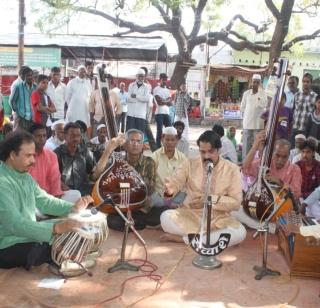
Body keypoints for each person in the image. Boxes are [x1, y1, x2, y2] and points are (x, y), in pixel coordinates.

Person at [0, 130, 93, 269]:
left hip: (27, 234)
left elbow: (45, 200)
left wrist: (72, 208)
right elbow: (15, 224)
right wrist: (55, 228)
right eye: (29, 156)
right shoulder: (2, 182)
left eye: (34, 155)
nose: (33, 160)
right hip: (7, 243)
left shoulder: (25, 177)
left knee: (74, 230)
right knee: (57, 245)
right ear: (13, 155)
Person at [160, 130, 247, 245]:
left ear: (218, 150)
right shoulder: (190, 163)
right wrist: (170, 190)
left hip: (218, 219)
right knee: (165, 217)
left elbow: (236, 203)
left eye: (210, 152)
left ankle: (186, 239)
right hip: (190, 214)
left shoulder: (232, 170)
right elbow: (176, 181)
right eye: (202, 152)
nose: (206, 156)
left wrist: (208, 200)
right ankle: (205, 240)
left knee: (240, 233)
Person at [93, 129, 167, 231]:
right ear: (125, 145)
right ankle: (143, 224)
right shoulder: (117, 159)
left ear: (142, 145)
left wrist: (134, 174)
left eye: (138, 141)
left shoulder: (149, 162)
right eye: (132, 141)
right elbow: (96, 174)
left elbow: (148, 191)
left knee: (164, 212)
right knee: (112, 221)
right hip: (123, 206)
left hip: (141, 207)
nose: (135, 144)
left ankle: (136, 223)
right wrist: (108, 150)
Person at [233, 132, 302, 231]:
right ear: (272, 153)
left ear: (289, 155)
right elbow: (245, 169)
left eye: (284, 157)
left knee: (291, 224)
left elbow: (296, 193)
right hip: (262, 208)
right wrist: (255, 146)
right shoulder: (265, 165)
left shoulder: (295, 169)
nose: (280, 160)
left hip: (282, 210)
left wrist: (280, 182)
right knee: (235, 211)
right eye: (277, 155)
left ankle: (267, 226)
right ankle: (270, 227)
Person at [28, 123, 81, 203]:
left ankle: (51, 209)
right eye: (38, 136)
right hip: (32, 198)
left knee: (76, 194)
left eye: (44, 136)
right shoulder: (25, 156)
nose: (42, 139)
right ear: (30, 138)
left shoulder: (51, 155)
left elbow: (55, 178)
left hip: (50, 197)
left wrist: (56, 196)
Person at [54, 122, 96, 196]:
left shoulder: (85, 152)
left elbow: (93, 172)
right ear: (65, 136)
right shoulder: (56, 154)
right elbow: (52, 177)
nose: (76, 139)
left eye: (78, 136)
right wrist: (62, 185)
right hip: (66, 193)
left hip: (85, 192)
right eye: (72, 136)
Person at [151, 127, 187, 207]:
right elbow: (150, 180)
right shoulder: (154, 156)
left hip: (177, 196)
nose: (170, 142)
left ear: (177, 141)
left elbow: (185, 182)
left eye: (173, 140)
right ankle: (167, 205)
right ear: (162, 140)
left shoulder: (182, 158)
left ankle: (170, 205)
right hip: (158, 196)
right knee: (150, 197)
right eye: (167, 139)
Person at [240, 74, 267, 159]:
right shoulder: (246, 93)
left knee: (257, 144)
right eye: (254, 82)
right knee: (246, 145)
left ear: (260, 83)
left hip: (258, 124)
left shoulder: (263, 93)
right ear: (251, 82)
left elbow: (264, 104)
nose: (255, 84)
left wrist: (258, 94)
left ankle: (256, 162)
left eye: (257, 82)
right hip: (247, 123)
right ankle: (245, 161)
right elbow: (242, 107)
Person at [291, 73, 317, 144]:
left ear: (311, 83)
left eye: (308, 82)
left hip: (307, 130)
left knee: (304, 152)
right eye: (304, 81)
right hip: (295, 128)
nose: (305, 83)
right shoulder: (297, 95)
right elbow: (293, 110)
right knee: (293, 150)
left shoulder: (315, 97)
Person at [10, 66, 37, 131]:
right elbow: (12, 101)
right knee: (19, 137)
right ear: (23, 76)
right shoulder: (17, 86)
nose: (30, 77)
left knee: (30, 137)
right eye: (28, 75)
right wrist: (18, 112)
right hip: (21, 117)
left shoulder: (35, 87)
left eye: (31, 75)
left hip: (32, 118)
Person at [126, 68, 150, 134]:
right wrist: (141, 98)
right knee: (129, 133)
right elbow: (128, 98)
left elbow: (147, 99)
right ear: (136, 76)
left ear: (144, 77)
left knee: (140, 134)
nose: (141, 78)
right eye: (139, 76)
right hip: (131, 114)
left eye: (142, 76)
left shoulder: (147, 87)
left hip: (141, 115)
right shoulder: (131, 85)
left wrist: (136, 96)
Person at [153, 73, 172, 148]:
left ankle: (168, 145)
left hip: (166, 113)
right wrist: (166, 101)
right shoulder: (156, 89)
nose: (165, 81)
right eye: (163, 80)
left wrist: (164, 100)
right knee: (159, 131)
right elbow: (159, 103)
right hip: (159, 113)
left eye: (166, 80)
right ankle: (158, 146)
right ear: (160, 80)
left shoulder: (167, 90)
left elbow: (170, 103)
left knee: (169, 130)